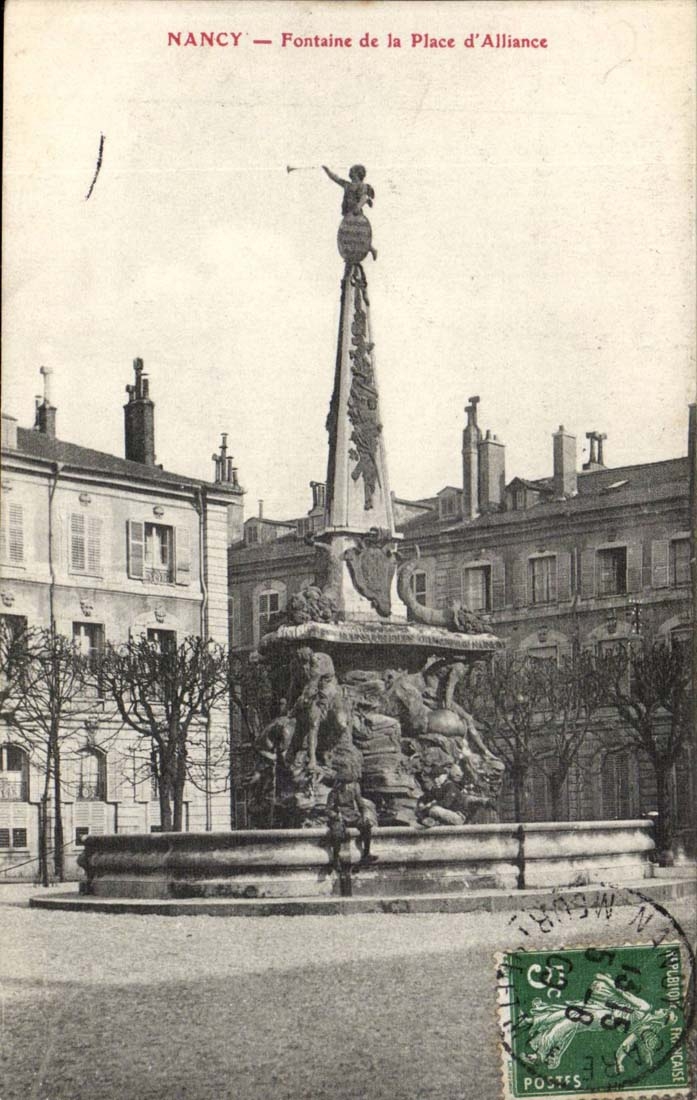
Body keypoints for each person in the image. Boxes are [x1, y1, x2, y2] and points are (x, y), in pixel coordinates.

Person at [326, 760, 378, 873]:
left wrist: (364, 815)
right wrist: (335, 815)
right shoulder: (333, 793)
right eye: (343, 783)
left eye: (347, 783)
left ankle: (366, 853)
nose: (345, 785)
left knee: (367, 825)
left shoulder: (353, 790)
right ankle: (336, 858)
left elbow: (361, 805)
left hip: (352, 815)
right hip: (339, 816)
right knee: (337, 832)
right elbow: (328, 809)